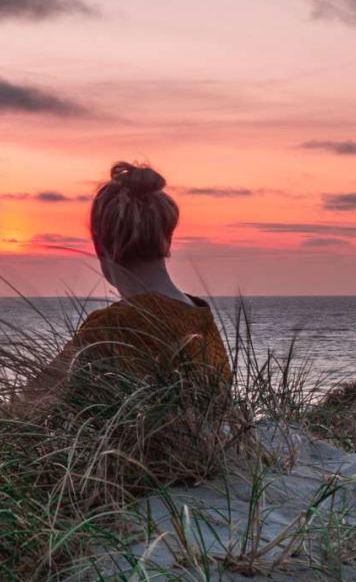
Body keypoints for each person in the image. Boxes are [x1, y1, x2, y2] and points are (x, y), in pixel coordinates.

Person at [22, 161, 232, 403]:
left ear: (100, 246)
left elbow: (29, 405)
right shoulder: (201, 318)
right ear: (167, 239)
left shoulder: (113, 327)